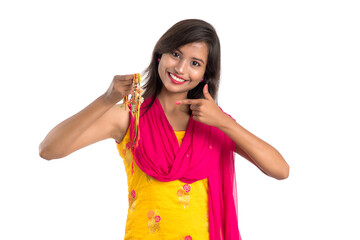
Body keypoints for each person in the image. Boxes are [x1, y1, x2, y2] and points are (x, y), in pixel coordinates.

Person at [39, 19, 289, 240]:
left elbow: (280, 170)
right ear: (160, 54)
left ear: (205, 74)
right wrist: (106, 99)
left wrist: (223, 122)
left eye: (195, 63)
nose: (181, 69)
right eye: (176, 54)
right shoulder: (130, 116)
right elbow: (49, 149)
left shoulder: (215, 123)